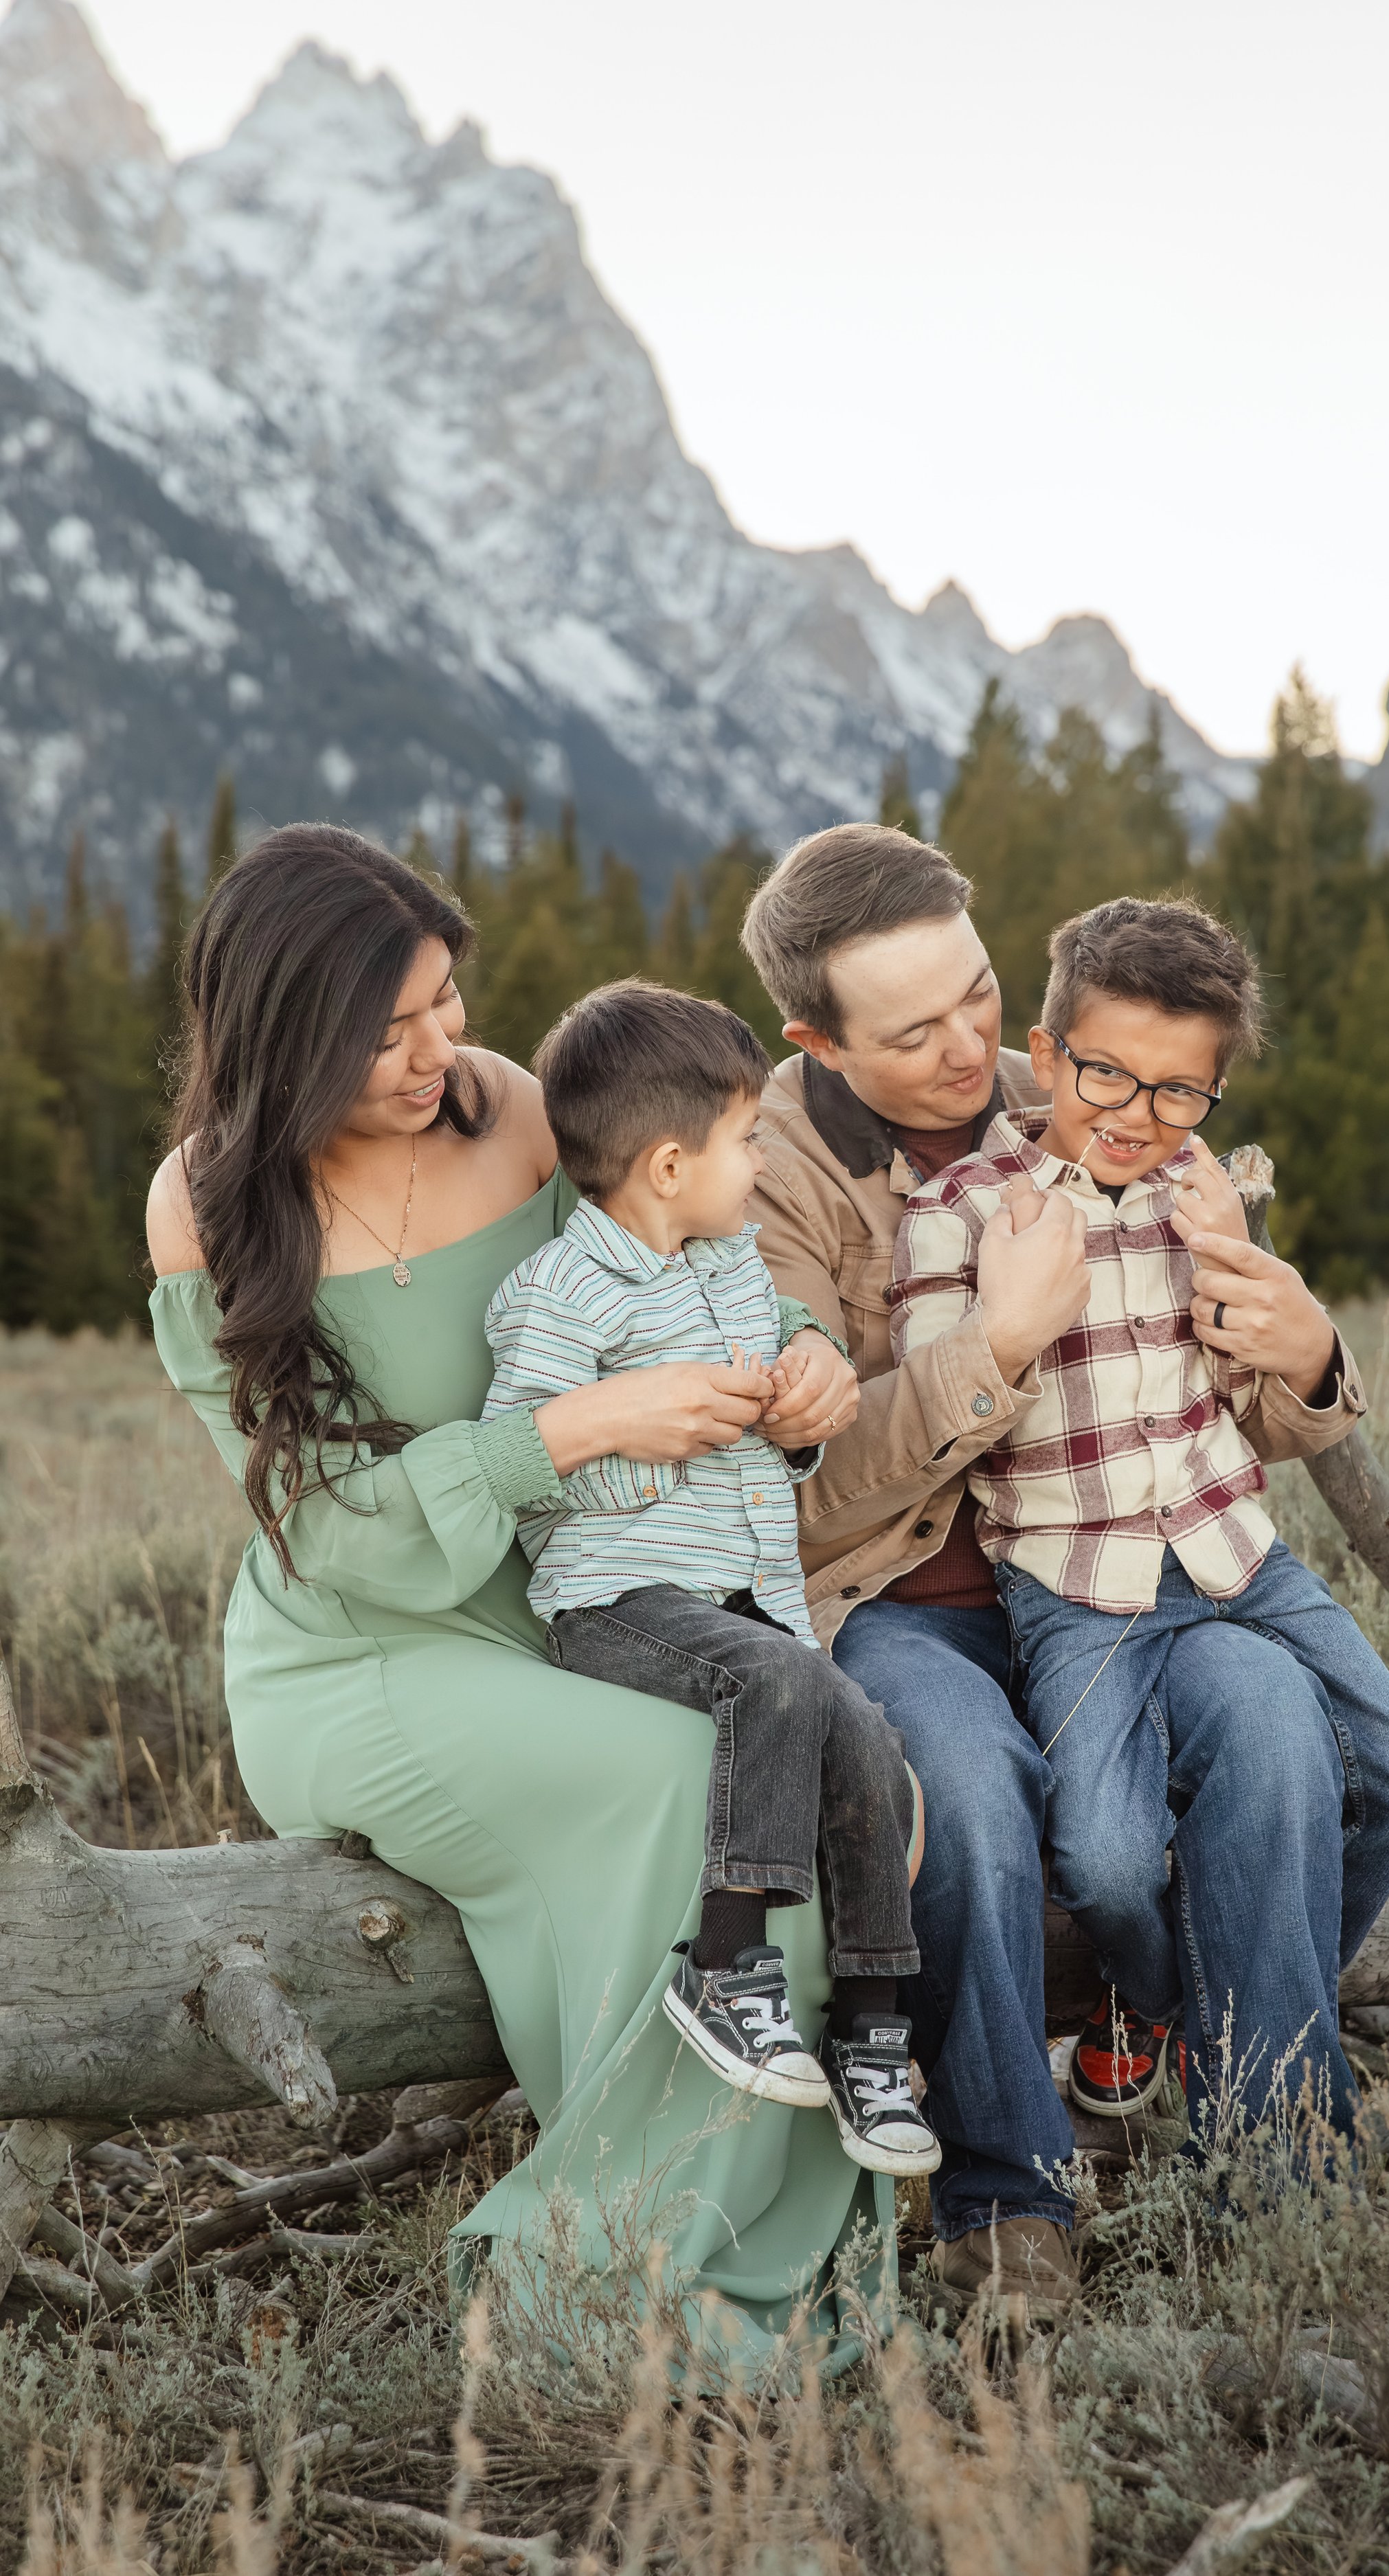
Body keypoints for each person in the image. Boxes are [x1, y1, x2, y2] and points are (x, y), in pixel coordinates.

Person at [144, 824, 888, 2377]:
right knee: (691, 1781)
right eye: (386, 1028)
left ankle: (726, 2246)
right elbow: (327, 1529)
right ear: (284, 1033)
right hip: (368, 1656)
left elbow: (677, 1259)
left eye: (441, 1001)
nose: (433, 1050)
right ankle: (604, 2281)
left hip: (576, 1600)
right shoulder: (206, 1206)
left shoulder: (517, 1112)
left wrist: (796, 1347)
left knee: (810, 1757)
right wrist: (569, 1432)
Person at [741, 823, 1389, 2322]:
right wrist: (991, 1345)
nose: (966, 1053)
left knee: (1277, 1728)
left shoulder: (1078, 1084)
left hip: (1135, 1564)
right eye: (912, 1029)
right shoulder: (768, 1183)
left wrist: (1308, 1352)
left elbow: (1217, 1392)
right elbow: (789, 1505)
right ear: (815, 1037)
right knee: (983, 1812)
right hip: (903, 1599)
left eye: (980, 997)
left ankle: (1261, 2120)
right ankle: (1007, 2204)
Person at [890, 894, 1389, 2142]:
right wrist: (1009, 1322)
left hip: (1237, 1553)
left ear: (1211, 1097)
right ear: (1047, 1058)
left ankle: (1208, 2036)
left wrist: (1286, 1318)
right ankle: (1167, 2007)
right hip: (1077, 1589)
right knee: (1099, 1858)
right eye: (1108, 1075)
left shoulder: (1195, 1194)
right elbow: (939, 1408)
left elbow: (1257, 1381)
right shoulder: (963, 1213)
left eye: (1179, 1093)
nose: (1139, 1115)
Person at [480, 979, 938, 2177]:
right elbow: (525, 1463)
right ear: (671, 1166)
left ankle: (878, 2036)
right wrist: (643, 1438)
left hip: (746, 1599)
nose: (764, 1160)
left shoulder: (734, 1265)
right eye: (749, 1140)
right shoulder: (558, 1297)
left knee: (871, 1741)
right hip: (617, 1600)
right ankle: (726, 1966)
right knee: (782, 1684)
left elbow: (805, 1346)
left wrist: (802, 1389)